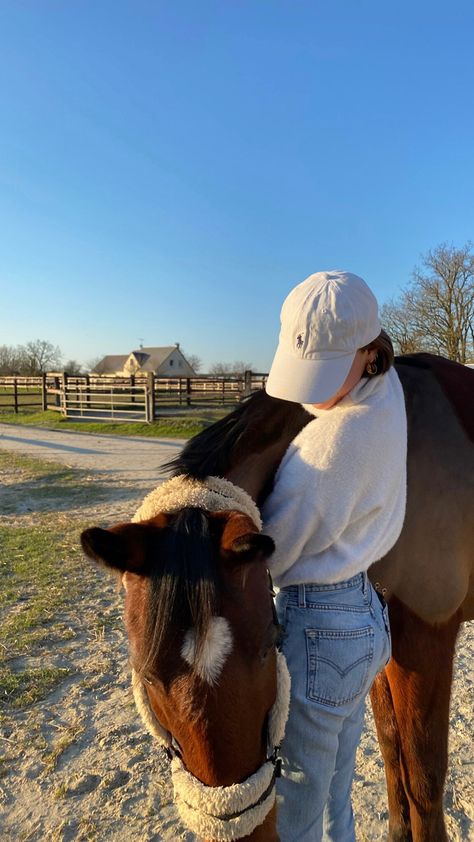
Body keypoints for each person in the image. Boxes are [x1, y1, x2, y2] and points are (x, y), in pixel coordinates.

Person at [261, 270, 407, 842]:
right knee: (334, 789)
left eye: (325, 368)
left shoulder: (325, 450)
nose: (308, 391)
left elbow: (273, 554)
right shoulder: (385, 393)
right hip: (364, 619)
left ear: (370, 355)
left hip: (320, 628)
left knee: (295, 804)